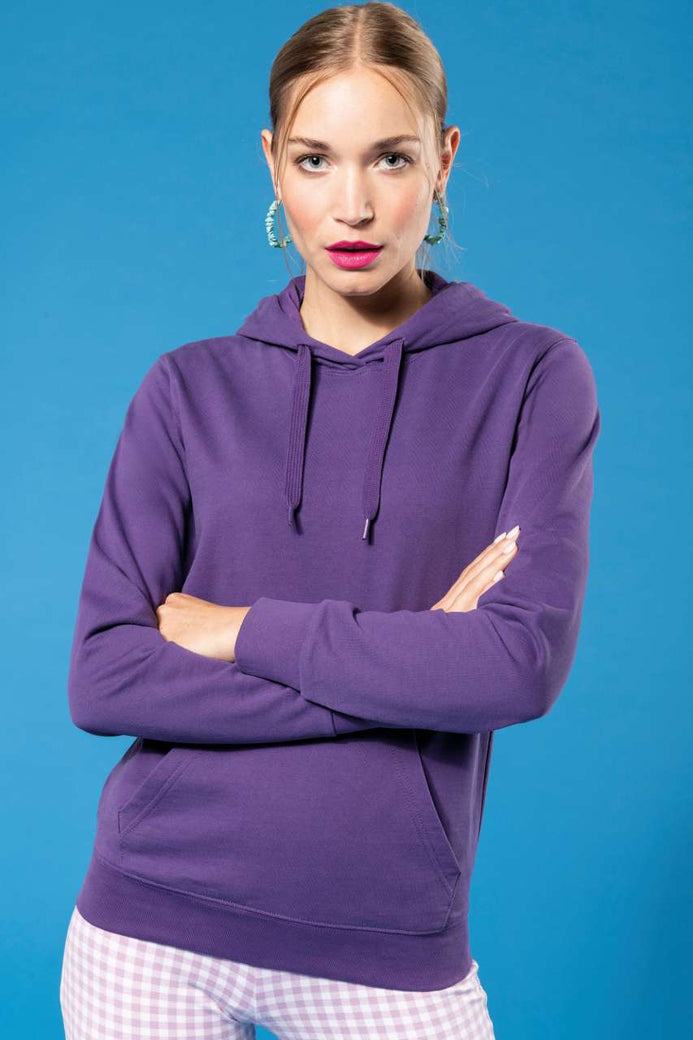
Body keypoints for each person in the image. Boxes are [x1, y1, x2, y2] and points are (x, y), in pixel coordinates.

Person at [59, 2, 601, 1037]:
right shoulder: (187, 389)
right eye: (315, 160)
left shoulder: (533, 376)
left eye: (390, 158)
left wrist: (241, 630)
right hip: (148, 930)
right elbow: (105, 678)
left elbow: (516, 666)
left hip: (388, 948)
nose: (353, 206)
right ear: (273, 165)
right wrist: (412, 663)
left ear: (443, 159)